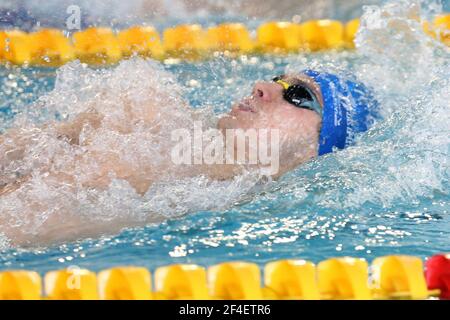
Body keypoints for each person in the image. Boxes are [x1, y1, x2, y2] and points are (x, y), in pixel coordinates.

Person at [0, 70, 380, 245]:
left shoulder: (194, 203)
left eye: (298, 95)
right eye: (277, 80)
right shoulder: (142, 105)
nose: (262, 87)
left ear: (318, 153)